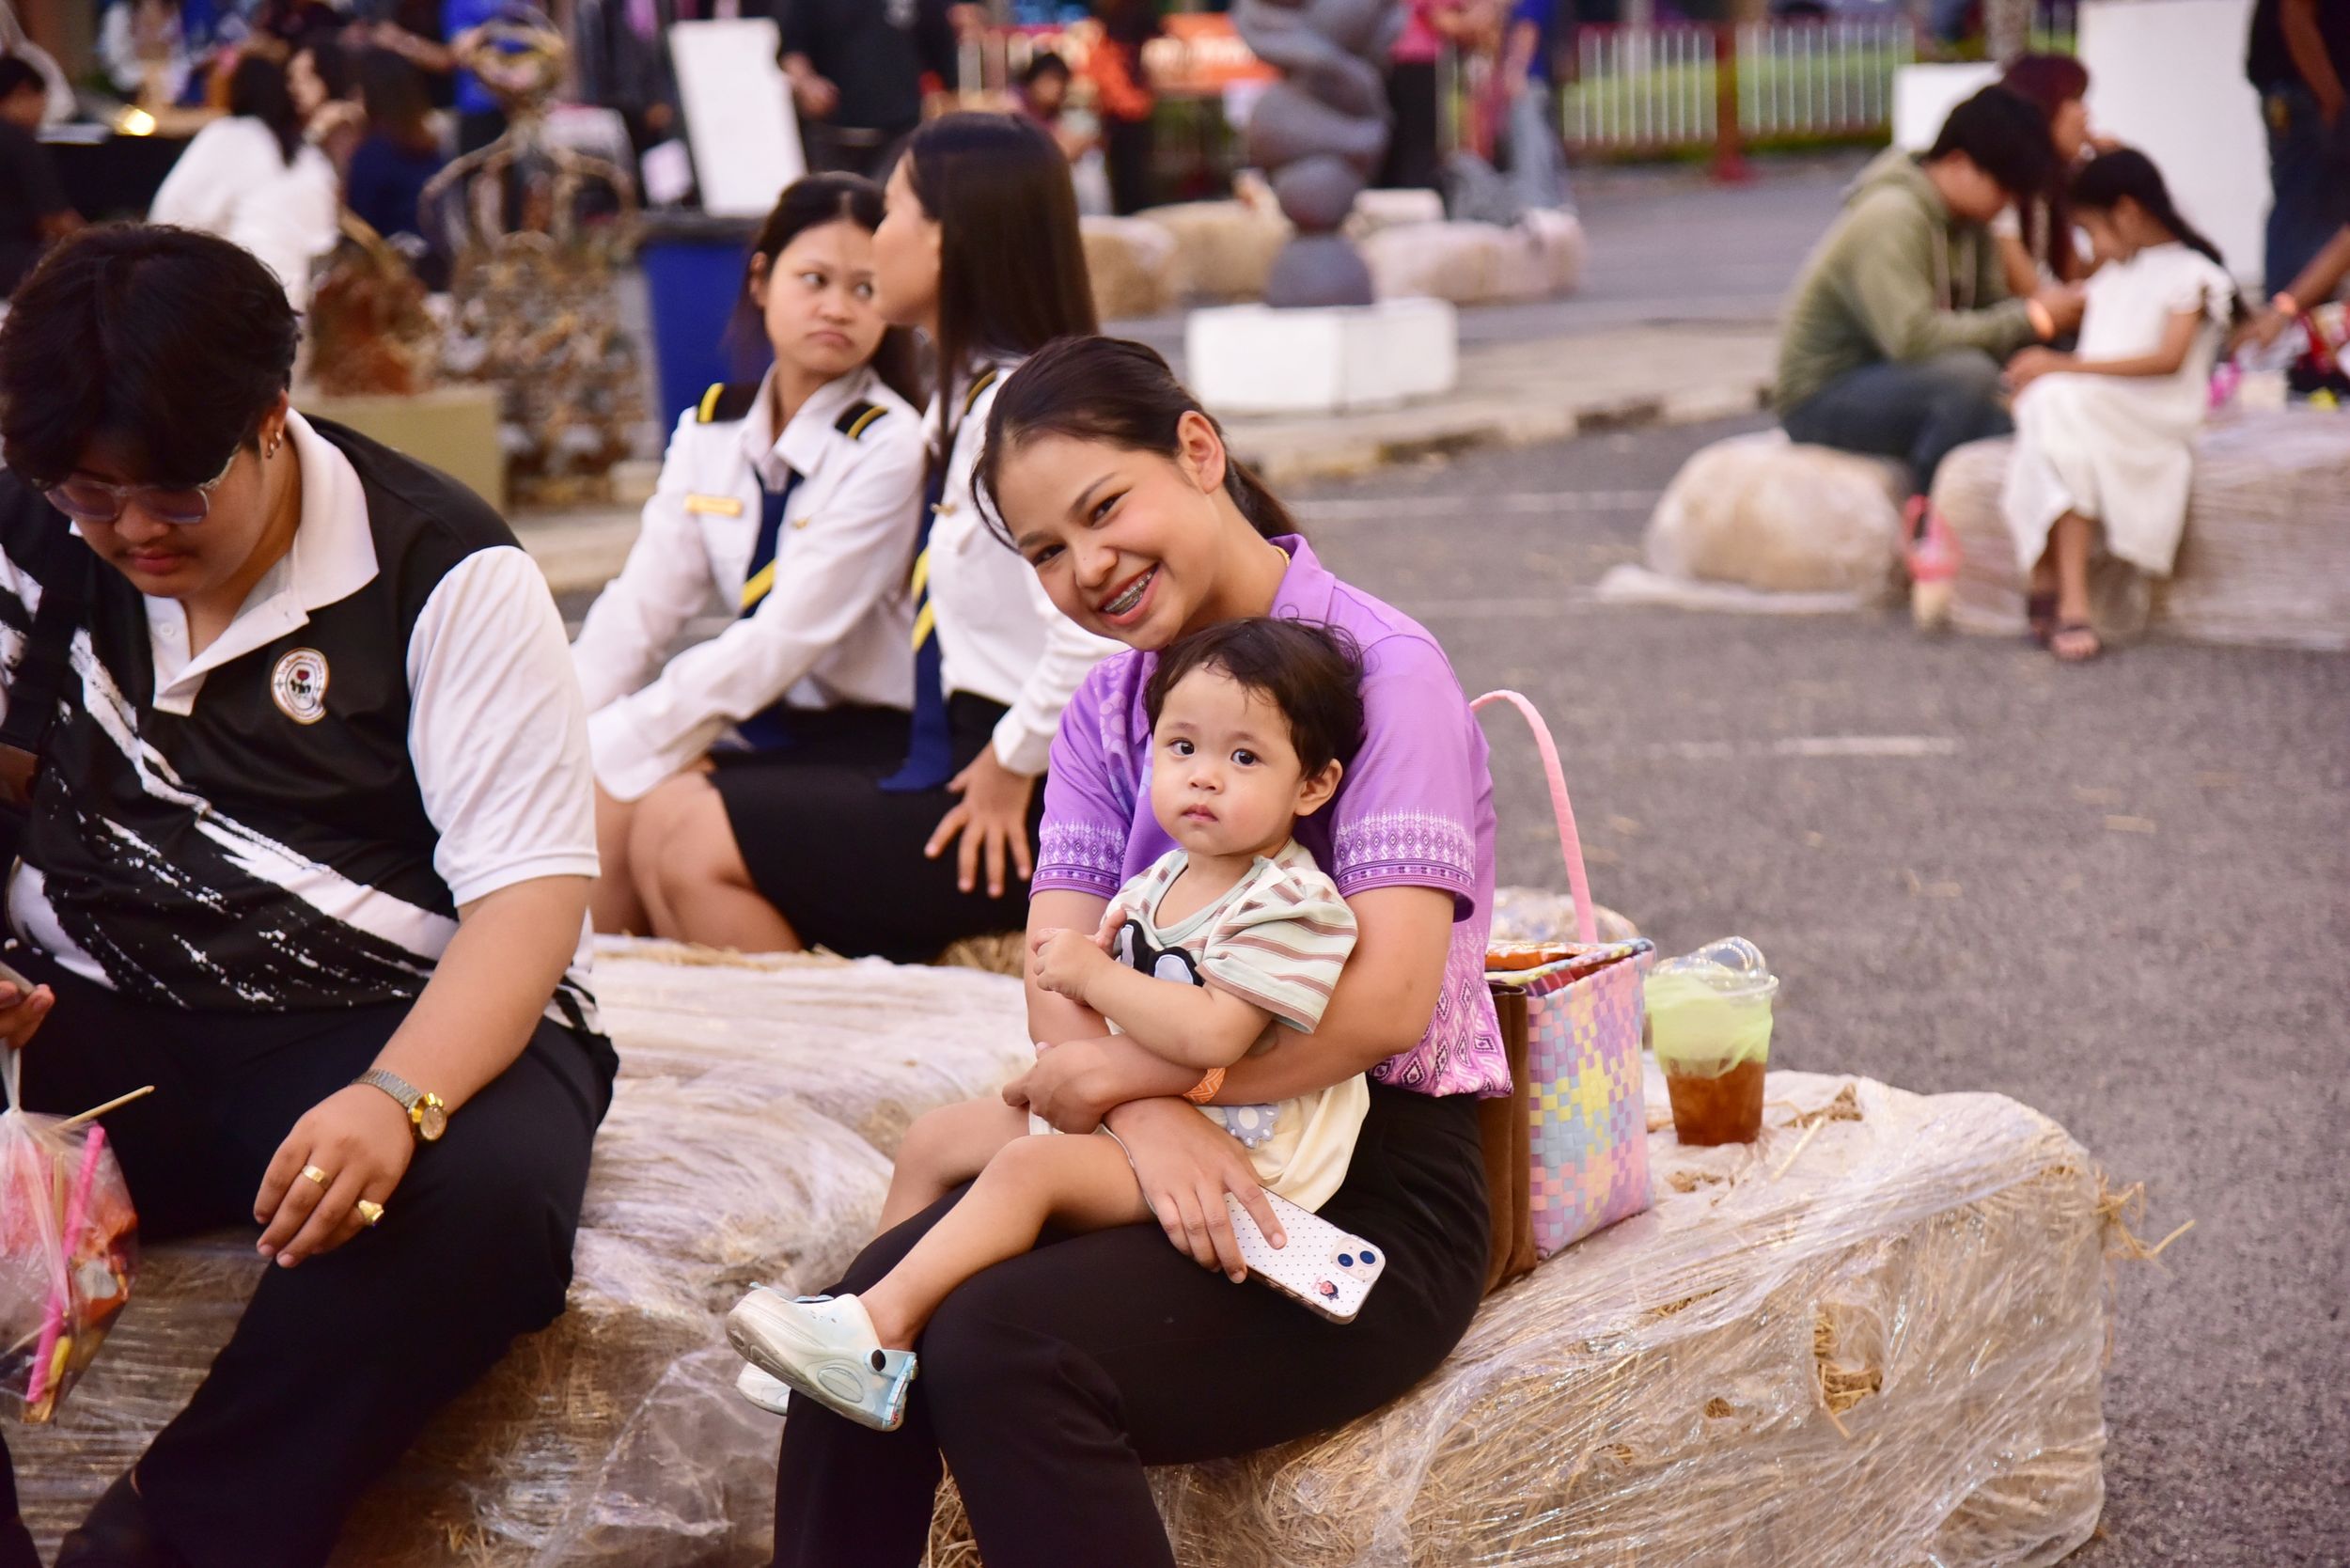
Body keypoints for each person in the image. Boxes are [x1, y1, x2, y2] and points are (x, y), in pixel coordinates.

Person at [763, 333, 1503, 1568]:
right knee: (865, 1315)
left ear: (1198, 451)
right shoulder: (1106, 711)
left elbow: (1387, 1004)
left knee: (1001, 1347)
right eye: (1046, 551)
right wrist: (1151, 1118)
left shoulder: (1383, 675)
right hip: (1151, 1135)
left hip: (1364, 1178)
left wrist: (1168, 1088)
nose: (1087, 567)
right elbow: (1054, 966)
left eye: (1104, 509)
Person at [0, 224, 611, 1568]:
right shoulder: (31, 536)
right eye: (89, 494)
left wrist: (397, 1099)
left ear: (271, 417)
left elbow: (527, 902)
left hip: (381, 1013)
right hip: (91, 1008)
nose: (131, 530)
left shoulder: (443, 569)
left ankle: (171, 1536)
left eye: (174, 492)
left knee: (489, 1209)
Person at [729, 617, 1368, 1430]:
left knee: (1028, 1171)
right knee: (934, 1139)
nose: (1205, 777)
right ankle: (854, 1311)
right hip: (1152, 1113)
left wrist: (1097, 978)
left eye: (1244, 758)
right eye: (1183, 748)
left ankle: (878, 1338)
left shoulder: (1290, 903)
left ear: (1312, 786)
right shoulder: (1158, 880)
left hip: (1245, 1151)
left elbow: (1216, 1033)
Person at [621, 114, 1115, 961]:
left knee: (692, 841)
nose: (873, 240)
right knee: (658, 803)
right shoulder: (963, 403)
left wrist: (1013, 761)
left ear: (946, 241)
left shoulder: (1024, 416)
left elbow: (1097, 633)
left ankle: (817, 1044)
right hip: (962, 752)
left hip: (1024, 788)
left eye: (891, 213)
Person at [571, 173, 926, 936]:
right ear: (761, 281)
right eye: (814, 279)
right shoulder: (711, 429)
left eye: (865, 288)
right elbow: (640, 609)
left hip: (870, 741)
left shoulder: (890, 444)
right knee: (587, 802)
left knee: (647, 807)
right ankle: (599, 1007)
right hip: (762, 728)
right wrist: (561, 722)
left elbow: (783, 638)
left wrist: (621, 737)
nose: (837, 307)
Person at [1776, 86, 2082, 623]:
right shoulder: (1891, 216)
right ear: (1959, 163)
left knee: (2022, 384)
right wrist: (2032, 317)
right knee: (1968, 380)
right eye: (2002, 188)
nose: (2005, 205)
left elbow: (1992, 312)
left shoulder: (1967, 222)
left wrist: (2045, 339)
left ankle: (2020, 549)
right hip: (1826, 391)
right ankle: (1929, 531)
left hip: (1898, 377)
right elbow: (1912, 339)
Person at [2000, 150, 2243, 665]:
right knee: (2054, 409)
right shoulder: (2114, 274)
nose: (2092, 245)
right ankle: (2070, 597)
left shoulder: (2192, 274)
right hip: (2096, 408)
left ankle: (2048, 579)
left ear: (2128, 212)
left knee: (2055, 400)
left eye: (2091, 229)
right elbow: (2062, 304)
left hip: (2152, 415)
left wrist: (2061, 366)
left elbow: (2168, 360)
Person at [148, 52, 340, 312]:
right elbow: (324, 237)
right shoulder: (306, 153)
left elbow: (171, 211)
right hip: (298, 299)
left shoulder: (229, 135)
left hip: (237, 296)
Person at [780, 0, 959, 180]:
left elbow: (941, 47)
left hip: (901, 128)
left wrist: (949, 108)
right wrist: (807, 83)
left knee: (892, 193)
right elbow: (792, 49)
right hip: (831, 130)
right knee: (835, 195)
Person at [2248, 0, 2350, 297]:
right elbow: (2296, 14)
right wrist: (2332, 102)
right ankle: (2289, 318)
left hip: (2310, 94)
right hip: (2307, 94)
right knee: (2305, 209)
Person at [1994, 55, 2097, 297]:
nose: (2086, 115)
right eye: (2076, 100)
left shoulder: (2047, 187)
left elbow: (2075, 275)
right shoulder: (1999, 187)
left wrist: (2112, 172)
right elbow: (2031, 291)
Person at [345, 47, 448, 251]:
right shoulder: (433, 146)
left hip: (394, 258)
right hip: (437, 256)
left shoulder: (372, 155)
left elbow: (360, 226)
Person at [0, 55, 77, 298]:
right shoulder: (18, 140)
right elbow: (55, 220)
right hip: (13, 267)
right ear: (23, 91)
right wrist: (102, 245)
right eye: (43, 98)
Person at [1089, 0, 1158, 215]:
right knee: (1123, 175)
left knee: (1134, 175)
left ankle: (1135, 215)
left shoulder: (1137, 26)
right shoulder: (1103, 37)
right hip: (1116, 114)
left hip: (1133, 113)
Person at [1502, 0, 1570, 214]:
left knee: (1529, 140)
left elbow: (1527, 29)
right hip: (1543, 76)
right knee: (1544, 138)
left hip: (1530, 77)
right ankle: (1554, 197)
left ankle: (1537, 200)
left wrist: (1515, 69)